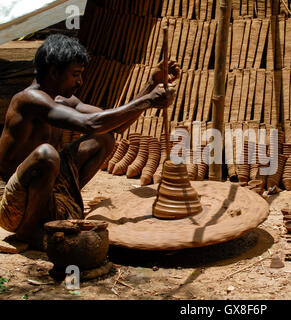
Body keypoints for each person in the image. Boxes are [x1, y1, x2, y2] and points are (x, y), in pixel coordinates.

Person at [0, 34, 180, 249]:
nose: (80, 82)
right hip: (16, 204)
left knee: (103, 139)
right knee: (47, 154)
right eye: (75, 75)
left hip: (51, 191)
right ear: (55, 72)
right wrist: (148, 100)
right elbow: (91, 123)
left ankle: (67, 204)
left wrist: (151, 85)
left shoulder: (61, 99)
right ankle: (29, 231)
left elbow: (112, 126)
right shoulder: (28, 100)